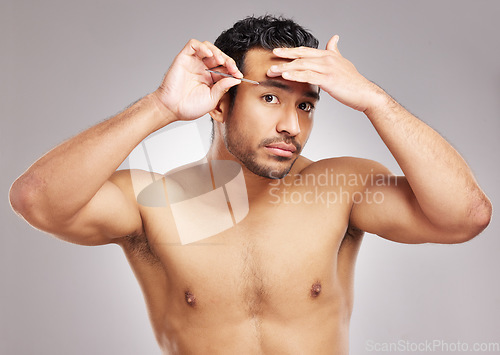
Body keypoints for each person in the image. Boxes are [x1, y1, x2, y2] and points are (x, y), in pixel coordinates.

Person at [9, 15, 492, 354]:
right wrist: (160, 105)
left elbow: (464, 216)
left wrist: (375, 102)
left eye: (306, 104)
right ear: (220, 101)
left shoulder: (342, 187)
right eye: (269, 96)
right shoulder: (153, 203)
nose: (292, 125)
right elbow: (38, 201)